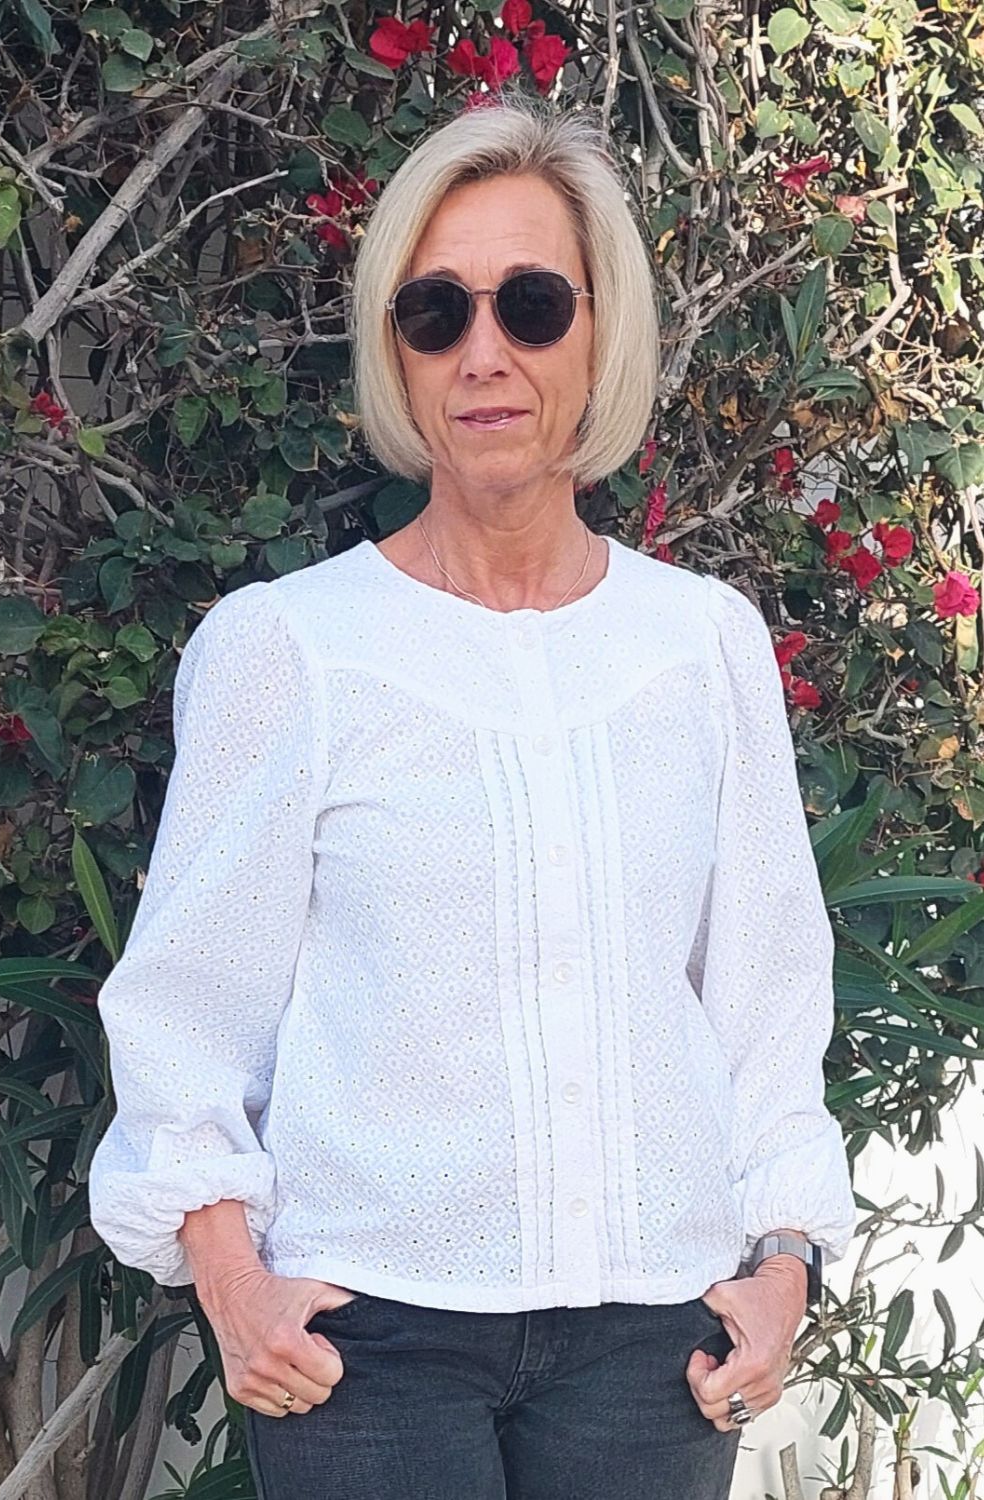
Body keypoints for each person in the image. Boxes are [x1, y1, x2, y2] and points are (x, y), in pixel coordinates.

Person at [88, 93, 857, 1500]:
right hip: (366, 1345)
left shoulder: (702, 646)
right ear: (396, 349)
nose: (483, 354)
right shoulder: (289, 651)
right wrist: (232, 1282)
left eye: (533, 305)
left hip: (656, 1341)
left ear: (602, 333)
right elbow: (188, 1009)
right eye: (435, 312)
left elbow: (765, 996)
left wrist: (786, 1261)